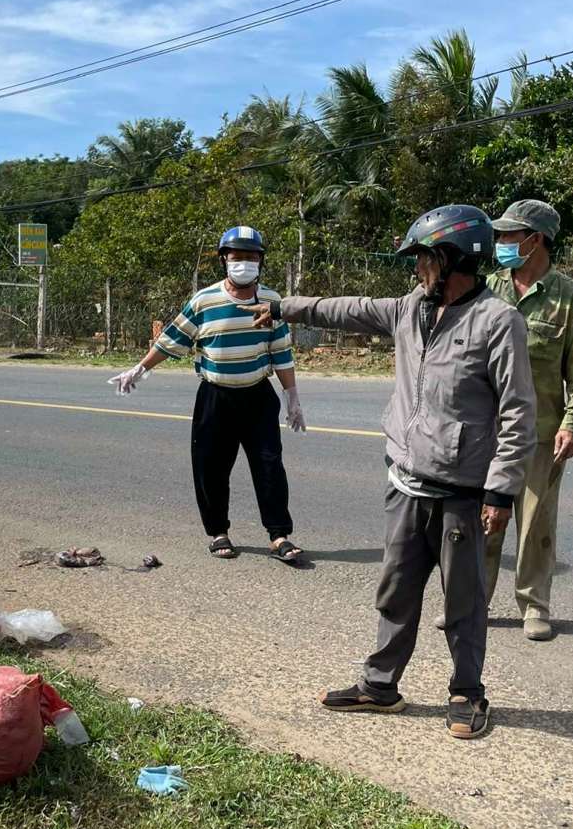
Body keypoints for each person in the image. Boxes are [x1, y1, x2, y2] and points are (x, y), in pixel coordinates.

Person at [256, 204, 535, 739]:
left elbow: (519, 411)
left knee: (464, 602)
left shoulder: (498, 321)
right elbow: (350, 309)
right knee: (396, 591)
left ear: (451, 259)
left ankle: (467, 692)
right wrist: (286, 306)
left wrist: (501, 491)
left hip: (463, 491)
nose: (416, 270)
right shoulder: (411, 309)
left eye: (423, 259)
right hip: (407, 483)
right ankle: (379, 687)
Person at [109, 226, 307, 564]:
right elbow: (172, 340)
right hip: (216, 397)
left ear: (261, 262)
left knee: (269, 466)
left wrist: (292, 397)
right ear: (224, 260)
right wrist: (140, 369)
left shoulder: (271, 302)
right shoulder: (205, 300)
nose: (244, 262)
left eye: (252, 257)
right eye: (237, 256)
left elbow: (282, 352)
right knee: (211, 467)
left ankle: (279, 536)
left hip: (258, 396)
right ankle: (218, 532)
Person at [482, 198, 573, 641]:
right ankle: (474, 601)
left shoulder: (572, 299)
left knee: (534, 525)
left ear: (537, 240)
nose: (502, 242)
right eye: (502, 235)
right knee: (483, 520)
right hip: (486, 431)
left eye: (511, 235)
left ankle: (533, 605)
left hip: (541, 433)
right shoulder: (487, 288)